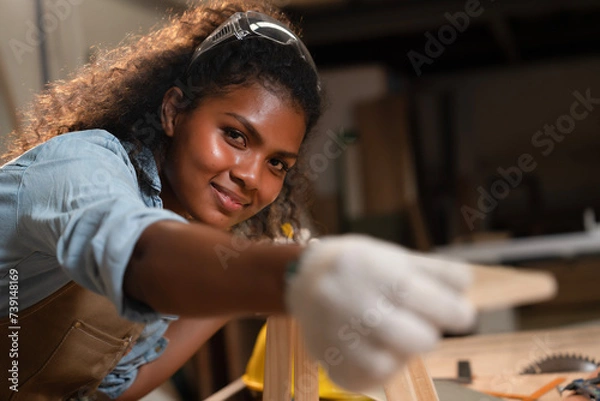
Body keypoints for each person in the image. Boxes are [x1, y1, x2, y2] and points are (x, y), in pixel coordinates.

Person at [0, 1, 476, 400]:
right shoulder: (80, 168)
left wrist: (237, 290)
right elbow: (141, 253)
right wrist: (296, 277)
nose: (251, 177)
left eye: (277, 165)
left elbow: (113, 386)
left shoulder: (181, 234)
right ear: (172, 111)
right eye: (234, 135)